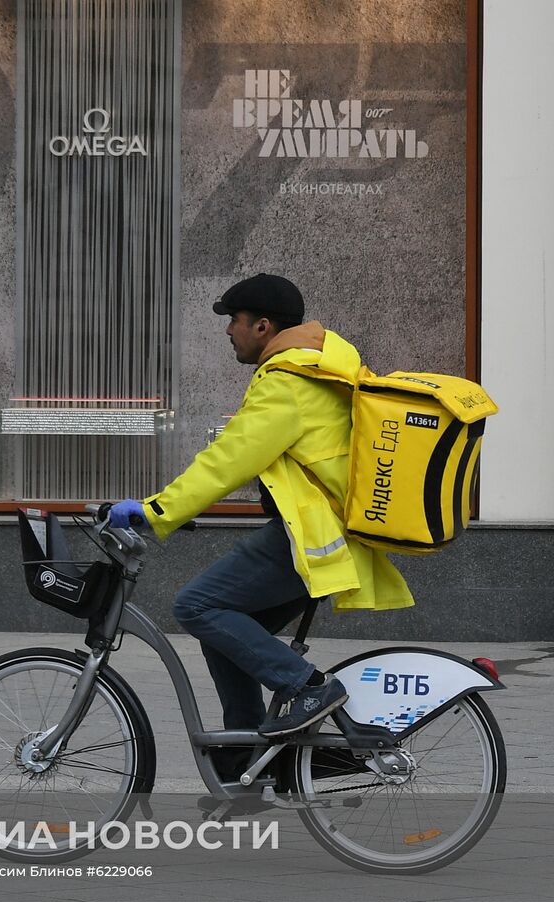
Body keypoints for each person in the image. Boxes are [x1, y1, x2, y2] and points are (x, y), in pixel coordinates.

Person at [109, 274, 413, 738]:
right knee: (229, 633)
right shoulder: (316, 369)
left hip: (312, 534)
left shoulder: (288, 382)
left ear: (263, 326)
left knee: (197, 606)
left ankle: (308, 687)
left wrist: (156, 511)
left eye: (235, 319)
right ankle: (244, 760)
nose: (228, 330)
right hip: (329, 532)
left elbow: (228, 460)